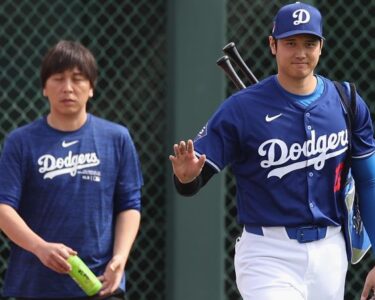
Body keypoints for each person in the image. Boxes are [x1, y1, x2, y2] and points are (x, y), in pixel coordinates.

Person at [169, 2, 375, 300]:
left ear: (321, 46)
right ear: (272, 45)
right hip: (268, 253)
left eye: (309, 43)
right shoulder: (242, 108)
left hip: (330, 251)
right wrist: (186, 177)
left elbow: (368, 181)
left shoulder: (347, 101)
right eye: (290, 42)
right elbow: (195, 177)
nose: (300, 52)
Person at [0, 40, 143, 299]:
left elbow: (129, 206)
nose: (68, 88)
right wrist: (40, 248)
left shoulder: (117, 138)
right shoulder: (20, 142)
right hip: (35, 287)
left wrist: (120, 258)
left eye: (78, 78)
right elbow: (3, 208)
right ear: (45, 88)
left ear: (91, 88)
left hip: (100, 284)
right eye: (58, 78)